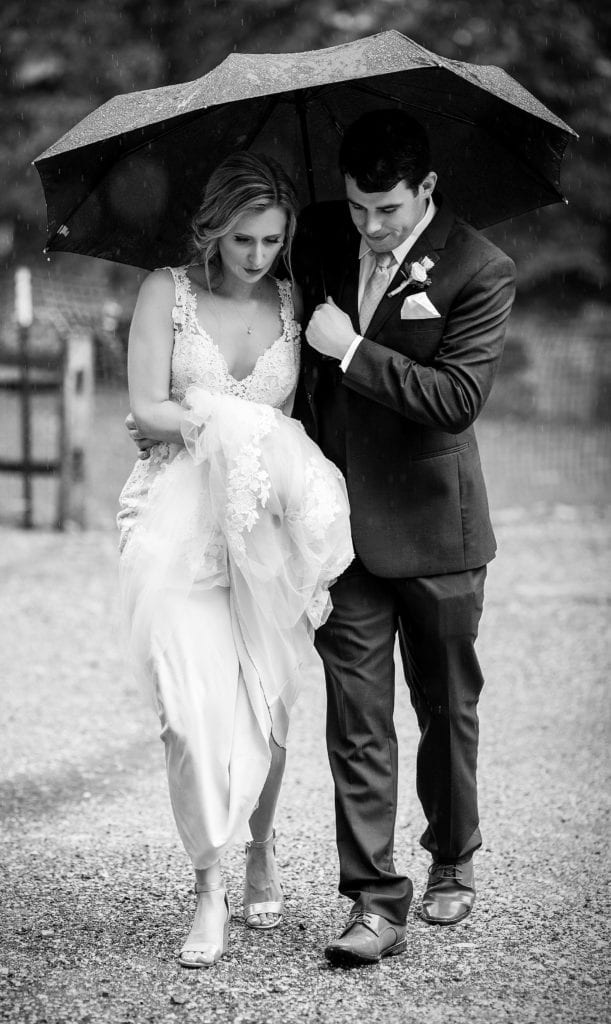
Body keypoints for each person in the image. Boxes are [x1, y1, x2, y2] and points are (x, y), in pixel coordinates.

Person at [118, 151, 353, 969]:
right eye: (243, 239)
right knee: (188, 713)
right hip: (175, 521)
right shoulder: (166, 292)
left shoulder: (295, 302)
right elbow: (145, 405)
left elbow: (310, 416)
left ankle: (260, 843)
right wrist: (205, 420)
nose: (257, 256)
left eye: (271, 241)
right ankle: (207, 883)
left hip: (263, 532)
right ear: (213, 229)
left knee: (267, 705)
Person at [292, 109, 516, 965]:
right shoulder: (318, 235)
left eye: (387, 209)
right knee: (356, 718)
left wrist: (351, 352)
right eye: (357, 208)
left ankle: (452, 855)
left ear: (424, 189)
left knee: (445, 708)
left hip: (437, 530)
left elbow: (456, 398)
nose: (370, 227)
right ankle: (371, 902)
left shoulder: (478, 267)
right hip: (338, 525)